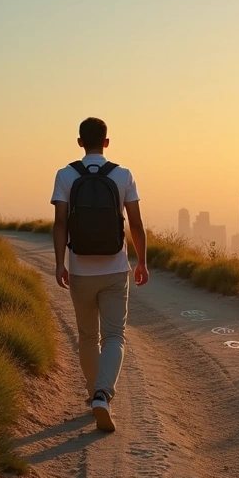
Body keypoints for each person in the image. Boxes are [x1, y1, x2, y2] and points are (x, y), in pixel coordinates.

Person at [51, 117, 149, 432]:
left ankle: (95, 394)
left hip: (80, 269)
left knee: (87, 336)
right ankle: (102, 394)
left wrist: (59, 263)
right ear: (106, 142)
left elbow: (60, 224)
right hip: (115, 268)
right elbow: (135, 223)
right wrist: (142, 261)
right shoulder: (123, 175)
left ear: (80, 142)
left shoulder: (65, 175)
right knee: (114, 336)